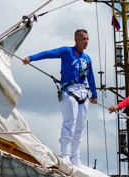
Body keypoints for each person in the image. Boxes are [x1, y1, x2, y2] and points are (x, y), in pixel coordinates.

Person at [24, 30, 98, 166]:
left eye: (87, 39)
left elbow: (90, 77)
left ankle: (75, 156)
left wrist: (94, 94)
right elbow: (49, 53)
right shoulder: (67, 51)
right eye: (83, 39)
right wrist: (31, 58)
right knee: (70, 122)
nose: (86, 42)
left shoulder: (87, 58)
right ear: (76, 39)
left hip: (83, 92)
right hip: (69, 90)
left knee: (80, 126)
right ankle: (65, 154)